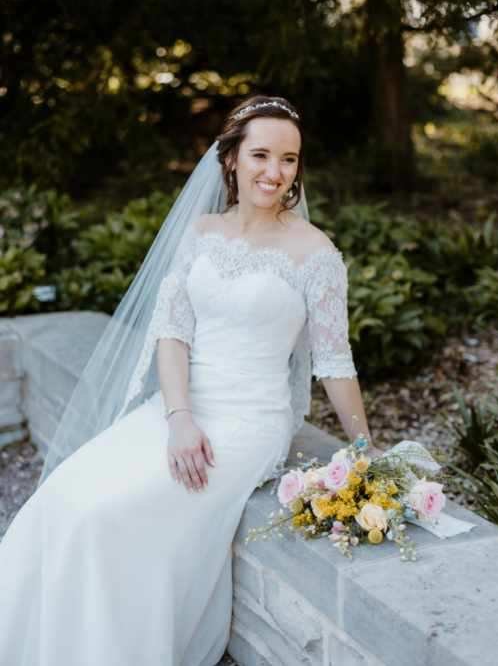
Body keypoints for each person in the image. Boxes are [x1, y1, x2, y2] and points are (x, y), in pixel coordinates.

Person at [0, 94, 372, 665]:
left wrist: (366, 450)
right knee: (61, 499)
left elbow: (335, 361)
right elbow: (172, 333)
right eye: (262, 155)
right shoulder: (201, 232)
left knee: (106, 513)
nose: (276, 172)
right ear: (231, 158)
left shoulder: (315, 252)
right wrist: (178, 418)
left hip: (250, 420)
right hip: (179, 409)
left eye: (290, 159)